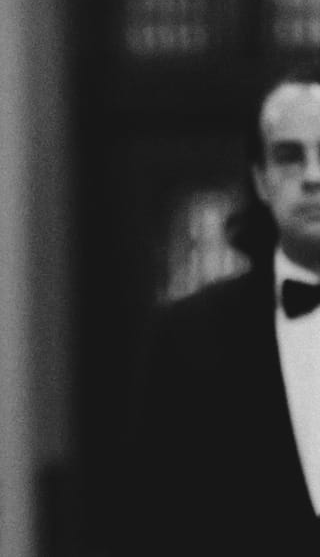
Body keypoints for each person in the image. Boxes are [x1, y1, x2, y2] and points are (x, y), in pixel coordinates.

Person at [127, 64, 320, 554]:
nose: (314, 176)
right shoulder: (188, 337)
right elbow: (156, 526)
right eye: (290, 156)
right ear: (261, 179)